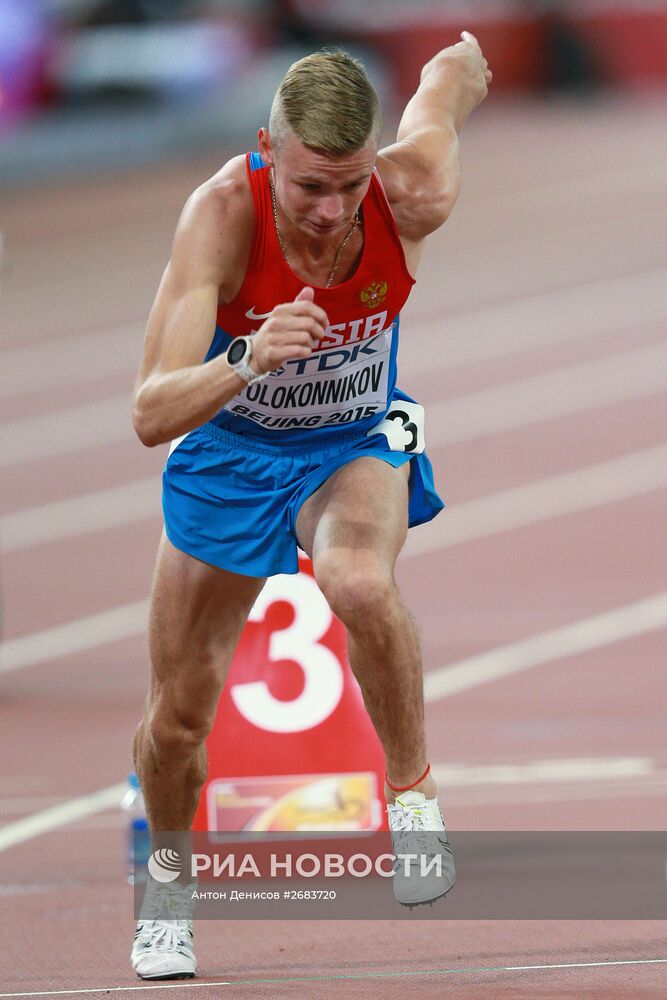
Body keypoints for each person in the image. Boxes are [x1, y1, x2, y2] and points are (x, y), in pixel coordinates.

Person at [130, 32, 491, 980]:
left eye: (348, 184)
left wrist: (458, 62)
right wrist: (246, 355)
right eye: (308, 188)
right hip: (231, 450)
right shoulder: (219, 216)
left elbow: (439, 102)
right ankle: (167, 897)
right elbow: (148, 411)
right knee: (177, 719)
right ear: (265, 151)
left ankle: (411, 802)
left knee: (357, 580)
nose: (332, 212)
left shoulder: (409, 193)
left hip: (353, 442)